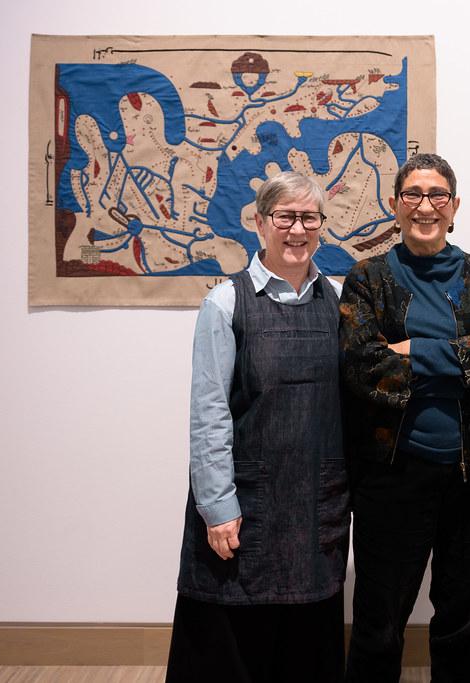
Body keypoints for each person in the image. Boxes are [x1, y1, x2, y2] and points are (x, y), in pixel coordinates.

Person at [340, 153, 470, 682]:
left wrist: (408, 349)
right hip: (392, 475)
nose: (426, 206)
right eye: (413, 194)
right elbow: (363, 368)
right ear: (395, 205)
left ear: (454, 205)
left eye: (437, 195)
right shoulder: (367, 279)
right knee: (379, 625)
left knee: (462, 625)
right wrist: (467, 349)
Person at [166, 171, 349, 683]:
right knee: (235, 651)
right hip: (246, 505)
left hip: (317, 503)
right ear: (259, 223)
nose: (298, 230)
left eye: (309, 218)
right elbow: (209, 414)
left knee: (305, 652)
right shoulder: (225, 303)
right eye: (285, 217)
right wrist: (217, 506)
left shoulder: (339, 302)